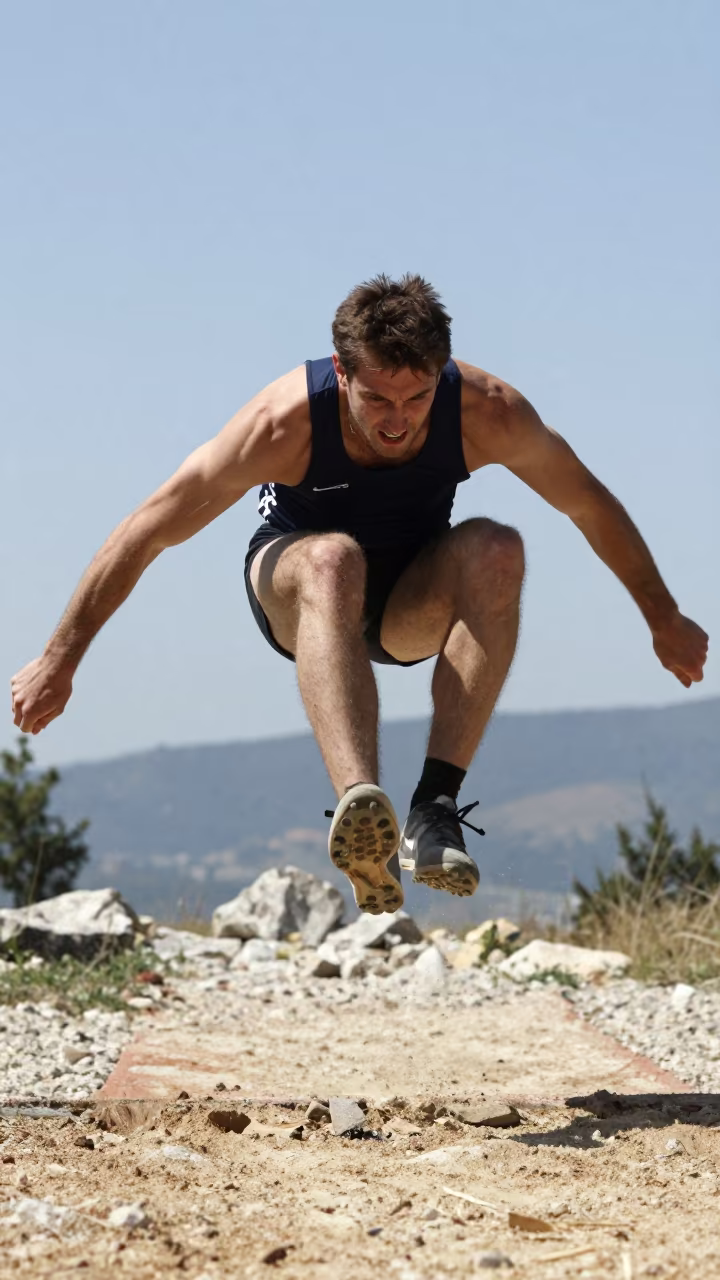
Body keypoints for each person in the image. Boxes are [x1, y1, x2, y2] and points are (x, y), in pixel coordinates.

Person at [11, 275, 709, 915]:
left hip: (406, 599)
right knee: (333, 559)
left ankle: (434, 810)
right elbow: (150, 527)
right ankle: (360, 811)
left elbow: (587, 503)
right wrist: (60, 656)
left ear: (441, 373)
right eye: (376, 398)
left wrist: (661, 615)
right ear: (341, 370)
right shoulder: (282, 422)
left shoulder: (485, 411)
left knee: (499, 548)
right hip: (297, 585)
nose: (398, 420)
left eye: (416, 397)